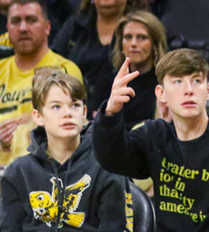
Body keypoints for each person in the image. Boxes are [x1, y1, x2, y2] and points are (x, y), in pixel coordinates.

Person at [94, 48, 209, 231]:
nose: (188, 90)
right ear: (161, 94)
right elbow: (113, 159)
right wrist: (111, 112)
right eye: (178, 81)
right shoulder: (155, 135)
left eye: (197, 81)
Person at [0, 69, 128, 232]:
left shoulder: (106, 167)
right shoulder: (18, 172)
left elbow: (114, 226)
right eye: (56, 107)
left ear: (84, 112)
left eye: (74, 105)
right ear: (38, 116)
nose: (67, 113)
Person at [0, 0, 83, 169]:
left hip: (42, 172)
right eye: (16, 21)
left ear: (47, 27)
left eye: (31, 20)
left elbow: (67, 126)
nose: (23, 28)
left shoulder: (64, 70)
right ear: (7, 29)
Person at [50, 0, 146, 110]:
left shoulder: (142, 27)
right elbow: (52, 63)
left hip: (130, 108)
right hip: (74, 107)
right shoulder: (74, 25)